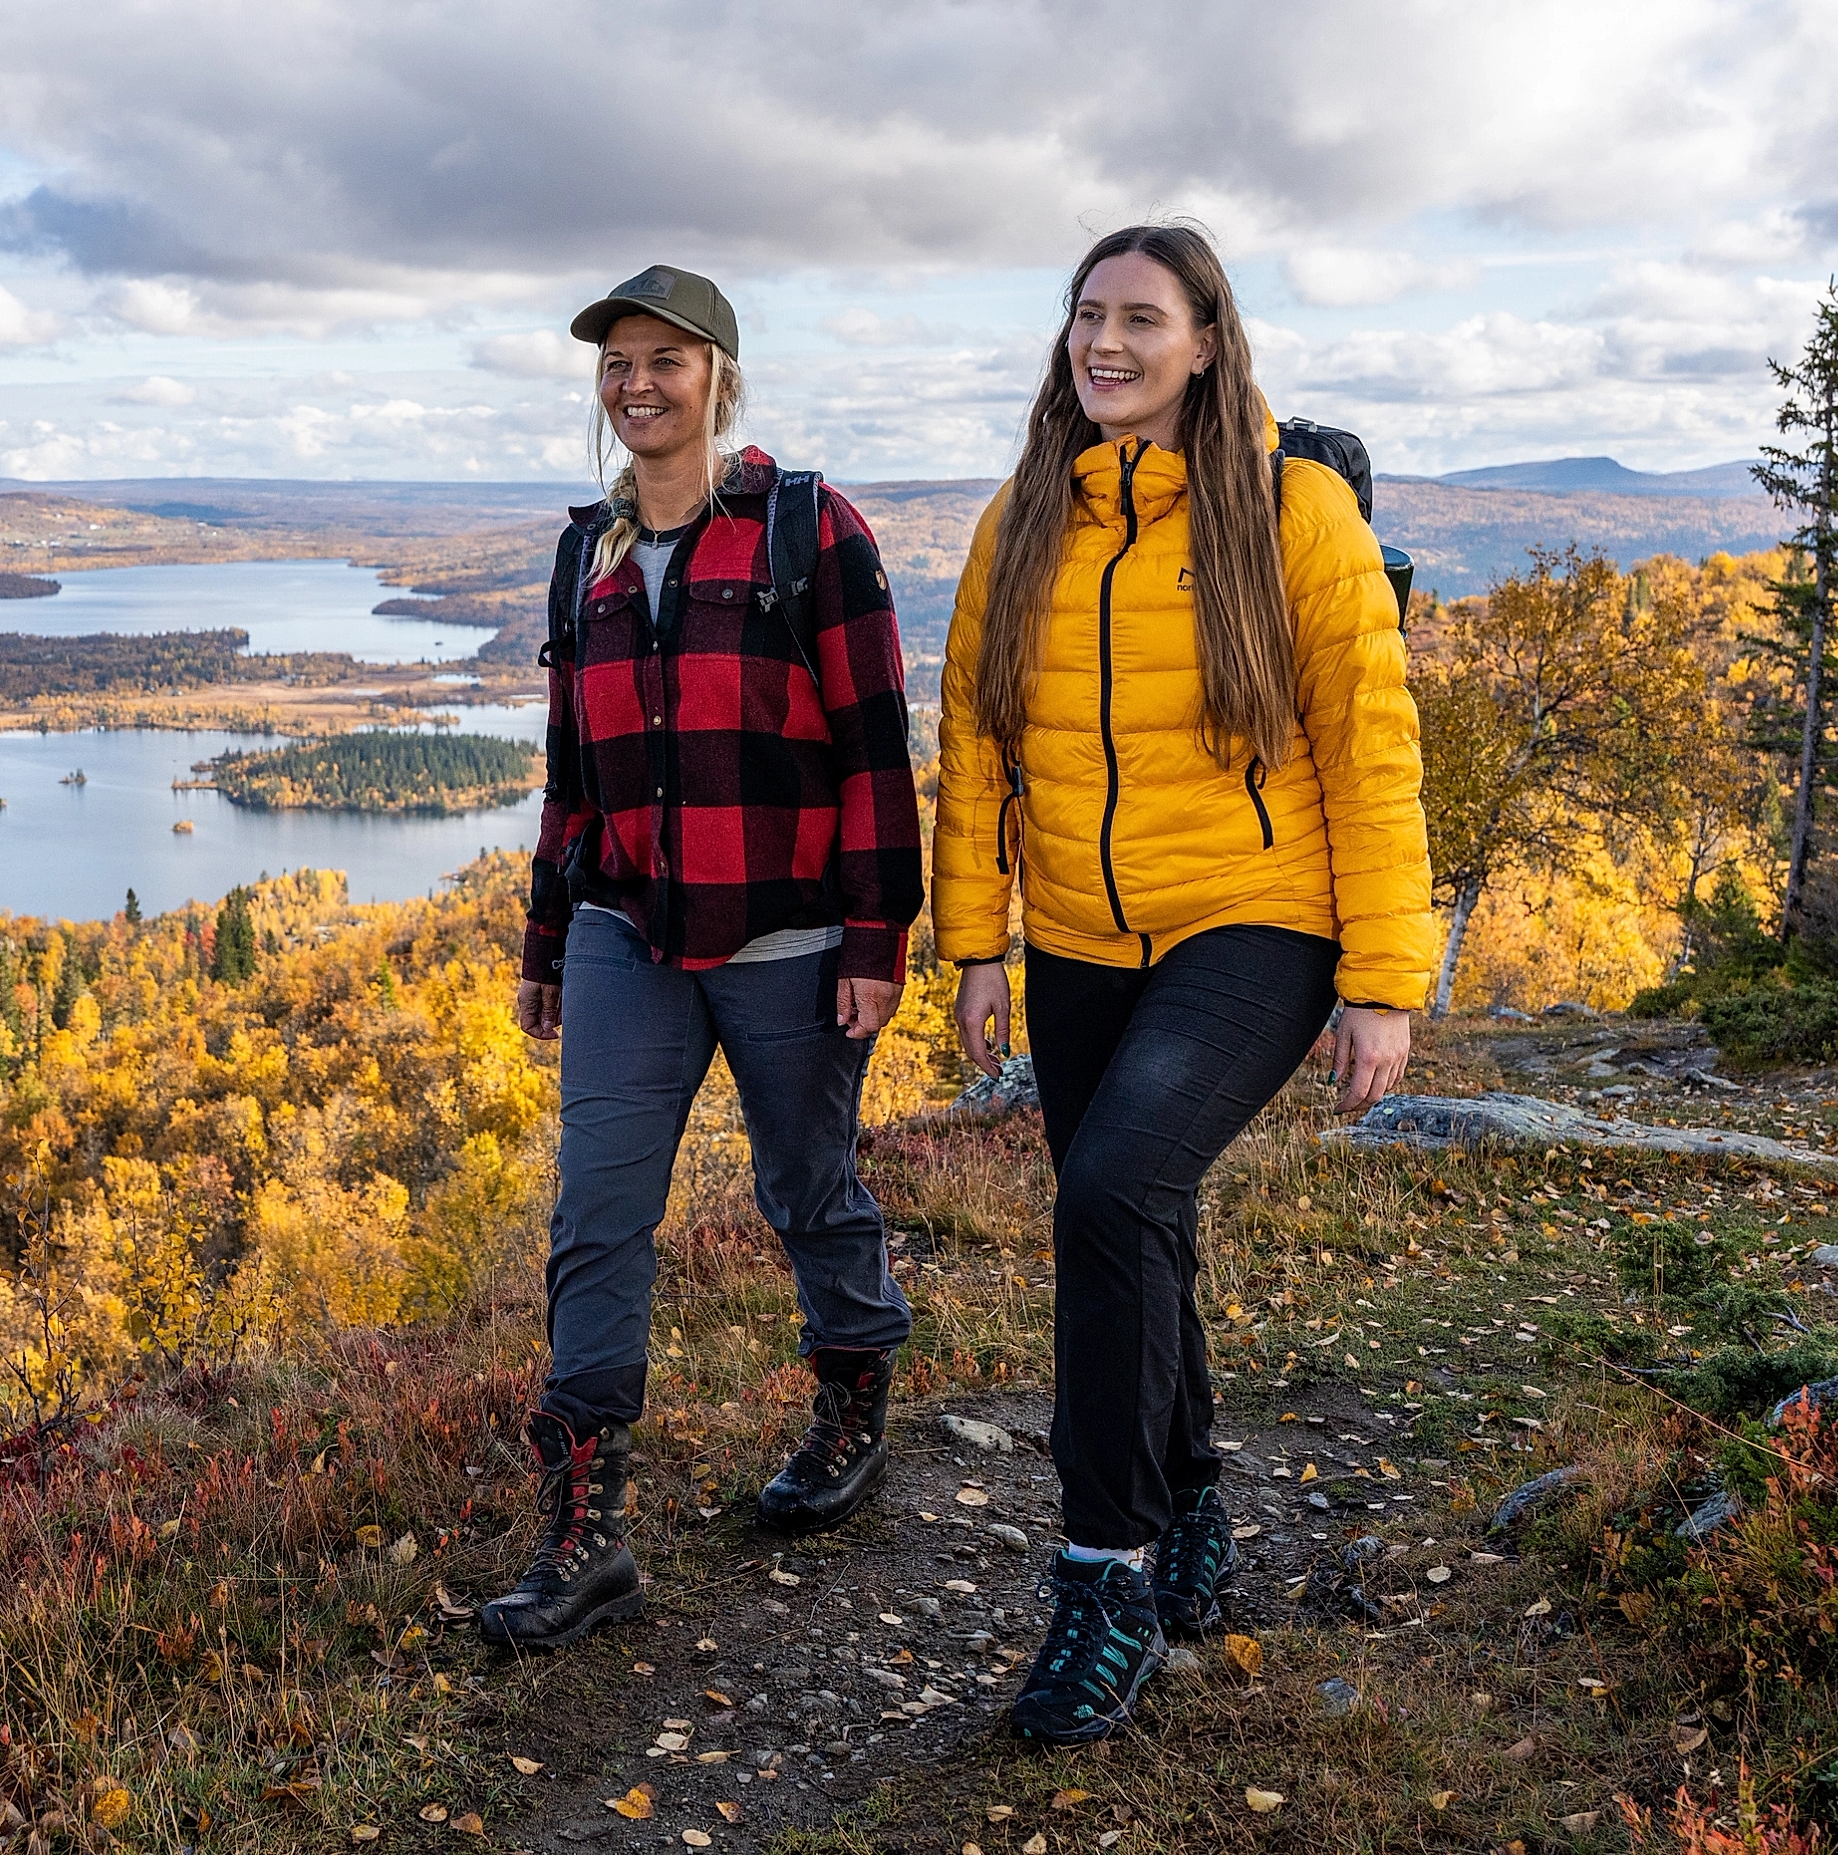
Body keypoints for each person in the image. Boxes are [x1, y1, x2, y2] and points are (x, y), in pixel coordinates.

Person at [933, 224, 1434, 1741]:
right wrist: (975, 945)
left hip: (1256, 922)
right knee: (1133, 1210)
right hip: (1082, 934)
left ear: (1208, 341)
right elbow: (971, 740)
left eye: (1142, 318)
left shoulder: (1295, 511)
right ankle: (1198, 1503)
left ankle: (1109, 1579)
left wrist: (1382, 978)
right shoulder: (1027, 517)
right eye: (1089, 315)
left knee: (1111, 1189)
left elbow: (1370, 740)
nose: (1107, 342)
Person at [478, 264, 927, 1650]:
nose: (637, 382)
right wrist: (548, 943)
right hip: (626, 935)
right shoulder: (587, 557)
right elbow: (572, 774)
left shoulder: (807, 529)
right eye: (618, 361)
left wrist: (874, 937)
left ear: (721, 377)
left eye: (667, 359)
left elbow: (874, 753)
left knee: (806, 1185)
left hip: (791, 937)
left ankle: (853, 1387)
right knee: (596, 1213)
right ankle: (586, 1529)